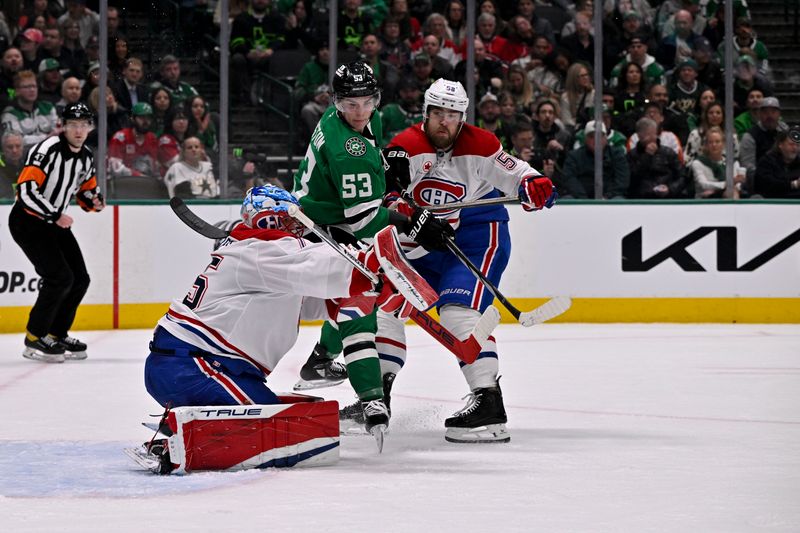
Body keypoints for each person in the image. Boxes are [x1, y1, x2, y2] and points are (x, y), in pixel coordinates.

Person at [331, 78, 556, 444]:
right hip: (424, 240)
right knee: (385, 309)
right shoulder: (405, 146)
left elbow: (515, 173)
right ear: (426, 113)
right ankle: (376, 398)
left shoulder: (481, 145)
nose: (443, 122)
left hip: (476, 234)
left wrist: (534, 185)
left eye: (451, 115)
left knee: (457, 312)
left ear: (462, 117)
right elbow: (386, 198)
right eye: (437, 113)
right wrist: (397, 197)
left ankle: (488, 404)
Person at [142, 185, 425, 470]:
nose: (297, 226)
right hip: (193, 367)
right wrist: (370, 267)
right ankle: (186, 442)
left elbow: (310, 300)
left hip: (195, 367)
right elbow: (320, 266)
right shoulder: (261, 249)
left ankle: (190, 426)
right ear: (270, 218)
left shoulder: (256, 254)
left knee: (304, 423)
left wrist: (367, 294)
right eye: (290, 218)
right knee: (292, 434)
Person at [291, 61, 455, 435]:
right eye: (351, 104)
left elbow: (368, 166)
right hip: (326, 228)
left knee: (360, 293)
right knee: (361, 299)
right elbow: (365, 220)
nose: (360, 110)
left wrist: (385, 164)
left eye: (367, 101)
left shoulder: (359, 123)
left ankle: (320, 359)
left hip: (329, 212)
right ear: (335, 102)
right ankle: (369, 395)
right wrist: (414, 222)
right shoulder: (348, 149)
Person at [7, 102, 104, 363]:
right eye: (73, 125)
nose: (79, 130)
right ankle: (35, 336)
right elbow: (25, 190)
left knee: (80, 278)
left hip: (53, 222)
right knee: (59, 277)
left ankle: (56, 332)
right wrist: (54, 214)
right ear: (63, 126)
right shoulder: (47, 149)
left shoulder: (85, 155)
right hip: (27, 221)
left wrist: (94, 201)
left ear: (90, 128)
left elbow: (86, 191)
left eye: (84, 125)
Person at [560, 120, 630, 198]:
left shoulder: (617, 155)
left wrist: (607, 196)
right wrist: (583, 199)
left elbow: (622, 180)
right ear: (585, 139)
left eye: (599, 136)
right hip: (580, 199)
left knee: (618, 200)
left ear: (605, 138)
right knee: (568, 200)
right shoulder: (574, 156)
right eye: (591, 137)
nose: (596, 140)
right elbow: (569, 179)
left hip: (610, 199)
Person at [627, 117, 688, 199]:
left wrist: (670, 189)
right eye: (648, 135)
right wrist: (647, 156)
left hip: (668, 197)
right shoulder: (632, 155)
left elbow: (682, 176)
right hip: (642, 199)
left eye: (654, 134)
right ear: (639, 136)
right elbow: (632, 180)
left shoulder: (668, 152)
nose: (653, 138)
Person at [1, 70, 59, 150]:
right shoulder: (10, 114)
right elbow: (16, 141)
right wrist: (46, 137)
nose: (32, 90)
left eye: (34, 86)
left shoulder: (48, 107)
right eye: (27, 87)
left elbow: (57, 132)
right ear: (17, 91)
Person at [690, 126, 747, 198]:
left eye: (717, 142)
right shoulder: (698, 163)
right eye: (710, 142)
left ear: (723, 144)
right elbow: (703, 185)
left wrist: (715, 190)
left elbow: (738, 186)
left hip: (729, 194)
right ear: (706, 145)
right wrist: (726, 184)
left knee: (732, 192)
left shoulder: (733, 163)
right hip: (705, 201)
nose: (714, 145)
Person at [108, 102, 160, 181]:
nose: (146, 121)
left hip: (147, 185)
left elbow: (155, 168)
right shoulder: (120, 137)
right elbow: (115, 168)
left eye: (148, 118)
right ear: (133, 119)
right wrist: (138, 175)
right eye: (142, 118)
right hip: (122, 183)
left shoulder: (152, 139)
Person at [753, 129, 800, 199]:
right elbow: (767, 185)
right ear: (780, 145)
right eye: (791, 144)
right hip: (771, 202)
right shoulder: (767, 162)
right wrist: (793, 184)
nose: (795, 148)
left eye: (798, 145)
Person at [0, 131, 25, 198]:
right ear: (3, 149)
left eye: (18, 146)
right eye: (10, 147)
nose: (14, 150)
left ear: (22, 148)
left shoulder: (31, 165)